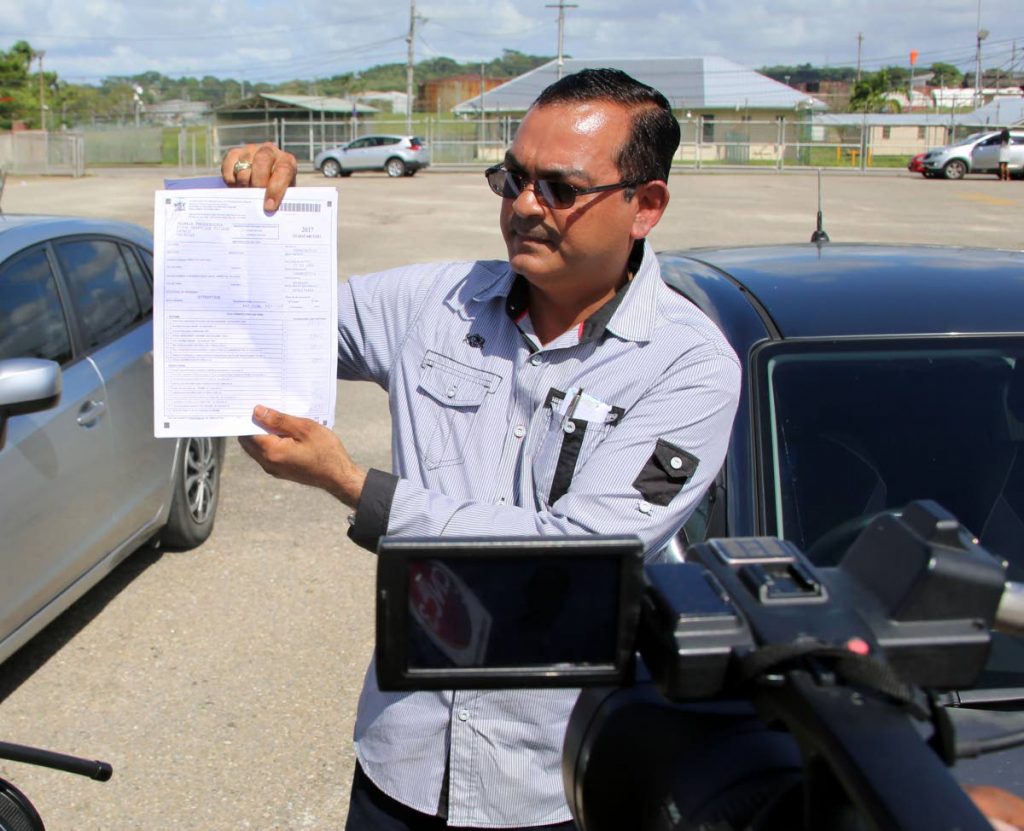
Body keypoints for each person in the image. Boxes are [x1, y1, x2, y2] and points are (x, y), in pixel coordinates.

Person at [222, 68, 742, 829]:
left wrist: (355, 485)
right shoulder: (436, 302)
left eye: (560, 188)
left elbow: (578, 553)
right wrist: (252, 215)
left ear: (647, 205)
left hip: (550, 783)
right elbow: (268, 321)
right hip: (402, 758)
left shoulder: (687, 366)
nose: (525, 206)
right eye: (512, 178)